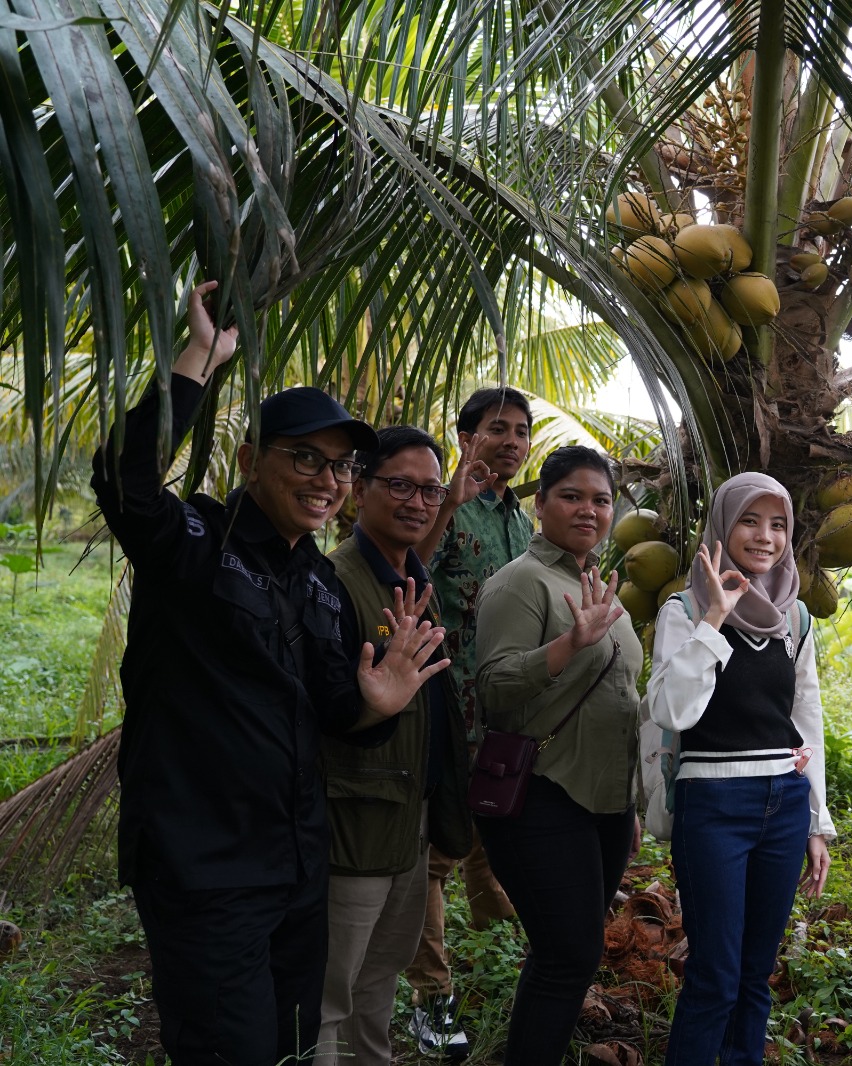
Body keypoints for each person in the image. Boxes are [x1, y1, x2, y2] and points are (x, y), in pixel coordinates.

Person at [90, 282, 451, 1066]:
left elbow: (331, 709)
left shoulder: (319, 583)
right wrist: (201, 356)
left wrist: (375, 701)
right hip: (203, 865)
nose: (327, 480)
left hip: (297, 866)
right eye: (305, 459)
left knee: (288, 1047)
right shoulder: (195, 544)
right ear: (253, 460)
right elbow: (126, 480)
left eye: (341, 467)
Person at [645, 473, 835, 1066]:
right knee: (715, 976)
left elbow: (806, 718)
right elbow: (673, 710)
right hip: (714, 806)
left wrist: (815, 820)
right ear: (724, 527)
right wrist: (714, 621)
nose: (765, 536)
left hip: (782, 803)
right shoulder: (683, 609)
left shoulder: (796, 618)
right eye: (750, 521)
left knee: (756, 975)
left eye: (778, 524)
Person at [473, 445, 644, 1066]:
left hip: (604, 802)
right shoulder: (520, 582)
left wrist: (632, 806)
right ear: (540, 503)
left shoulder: (601, 584)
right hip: (542, 795)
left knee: (568, 955)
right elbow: (491, 686)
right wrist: (569, 644)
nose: (588, 510)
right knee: (567, 955)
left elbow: (622, 701)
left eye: (601, 499)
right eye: (571, 496)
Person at [316, 427, 473, 1066]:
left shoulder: (413, 578)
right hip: (354, 825)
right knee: (331, 991)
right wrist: (370, 704)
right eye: (400, 485)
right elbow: (322, 707)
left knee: (381, 977)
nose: (417, 501)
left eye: (430, 490)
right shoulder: (335, 580)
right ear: (361, 487)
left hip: (409, 818)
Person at [405, 386, 533, 1057]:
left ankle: (496, 968)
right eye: (495, 429)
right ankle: (432, 994)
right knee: (438, 855)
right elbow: (408, 571)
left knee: (493, 842)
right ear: (464, 437)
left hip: (507, 714)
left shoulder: (521, 517)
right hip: (448, 708)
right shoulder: (443, 502)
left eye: (519, 432)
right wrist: (448, 502)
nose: (509, 442)